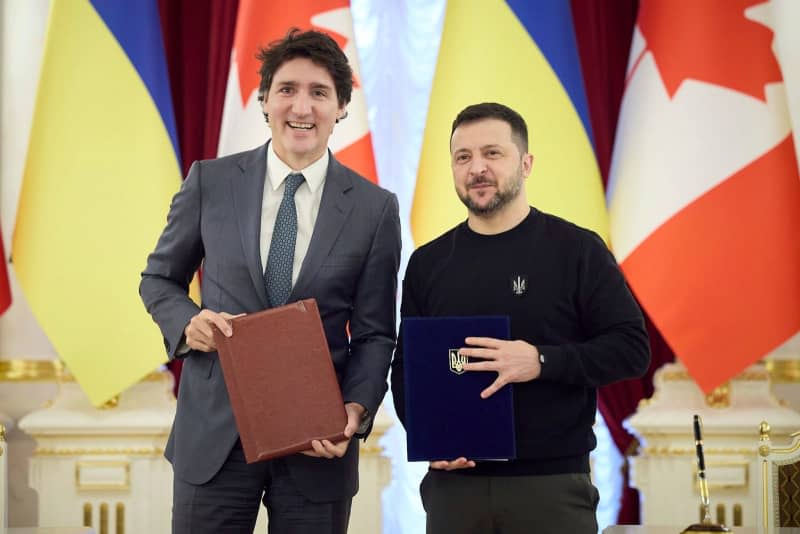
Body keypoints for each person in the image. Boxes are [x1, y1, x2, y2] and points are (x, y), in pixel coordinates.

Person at [140, 28, 401, 534]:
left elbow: (374, 333)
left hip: (317, 441)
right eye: (286, 89)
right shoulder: (209, 183)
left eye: (319, 92)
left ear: (342, 106)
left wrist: (356, 409)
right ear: (263, 100)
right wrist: (188, 323)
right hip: (215, 436)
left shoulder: (375, 209)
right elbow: (159, 280)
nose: (301, 106)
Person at [390, 102, 650, 534]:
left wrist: (541, 362)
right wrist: (427, 437)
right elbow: (407, 369)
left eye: (493, 153)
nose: (477, 168)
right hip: (454, 489)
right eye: (463, 157)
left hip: (551, 487)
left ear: (526, 164)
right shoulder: (427, 262)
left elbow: (631, 350)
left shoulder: (577, 250)